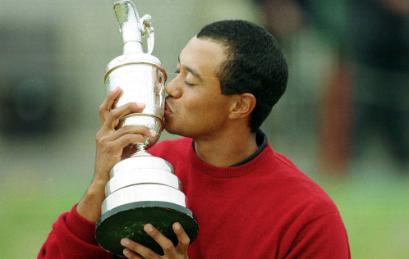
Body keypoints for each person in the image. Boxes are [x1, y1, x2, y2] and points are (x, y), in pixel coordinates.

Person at [38, 20, 350, 259]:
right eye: (176, 71)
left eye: (190, 80)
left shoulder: (307, 217)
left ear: (240, 105)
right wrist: (100, 183)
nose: (171, 89)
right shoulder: (148, 167)